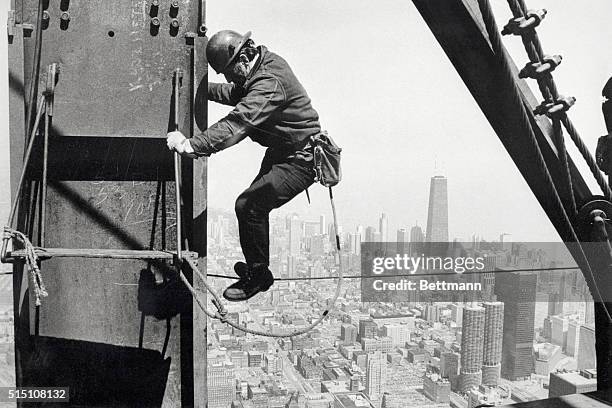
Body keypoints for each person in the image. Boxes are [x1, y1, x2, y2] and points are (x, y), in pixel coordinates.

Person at [167, 30, 322, 302]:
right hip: (284, 153)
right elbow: (236, 92)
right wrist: (201, 90)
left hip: (301, 160)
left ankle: (259, 276)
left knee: (249, 206)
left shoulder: (269, 81)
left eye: (228, 72)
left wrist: (191, 145)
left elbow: (238, 123)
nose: (228, 78)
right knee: (250, 210)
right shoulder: (261, 66)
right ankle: (257, 266)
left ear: (242, 58)